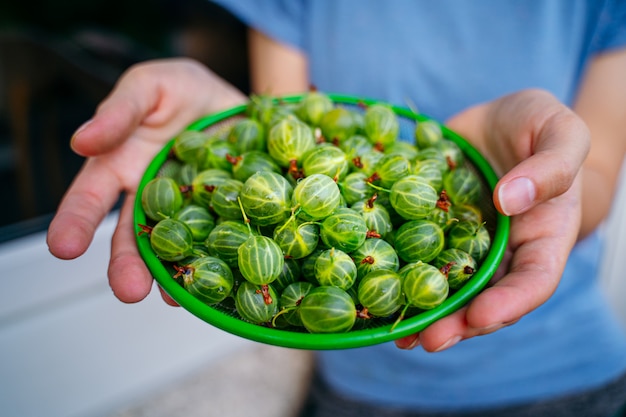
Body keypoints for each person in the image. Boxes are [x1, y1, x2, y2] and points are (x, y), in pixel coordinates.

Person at [47, 1, 626, 416]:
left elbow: (594, 176)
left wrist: (534, 188)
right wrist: (222, 129)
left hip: (570, 373)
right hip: (359, 376)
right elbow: (282, 114)